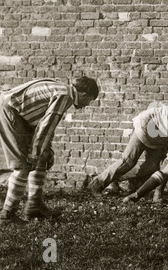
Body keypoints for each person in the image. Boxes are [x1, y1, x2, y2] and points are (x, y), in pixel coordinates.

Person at [0, 76, 99, 226]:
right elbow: (46, 126)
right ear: (83, 95)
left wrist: (44, 150)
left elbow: (44, 123)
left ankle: (34, 206)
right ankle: (7, 214)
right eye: (89, 100)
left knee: (42, 157)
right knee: (24, 165)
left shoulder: (62, 88)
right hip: (9, 111)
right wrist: (35, 153)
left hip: (16, 112)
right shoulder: (66, 95)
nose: (87, 105)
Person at [88, 101, 168, 197]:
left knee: (151, 167)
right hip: (148, 126)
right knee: (128, 160)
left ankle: (114, 179)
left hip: (161, 137)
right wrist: (158, 193)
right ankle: (97, 184)